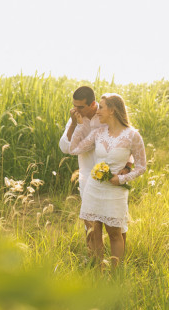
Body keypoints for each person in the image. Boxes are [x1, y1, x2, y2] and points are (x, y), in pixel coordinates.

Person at [69, 93, 146, 267]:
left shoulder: (132, 135)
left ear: (112, 110)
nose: (98, 112)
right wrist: (79, 126)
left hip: (115, 191)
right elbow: (74, 149)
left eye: (101, 107)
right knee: (94, 233)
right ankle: (98, 273)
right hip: (93, 189)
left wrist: (121, 178)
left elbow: (142, 166)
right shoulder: (98, 133)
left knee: (114, 234)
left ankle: (116, 275)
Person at [59, 86, 131, 249]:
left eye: (80, 107)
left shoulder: (107, 115)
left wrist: (127, 169)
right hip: (87, 178)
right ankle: (95, 266)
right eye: (73, 105)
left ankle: (118, 265)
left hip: (111, 178)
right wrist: (73, 124)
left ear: (93, 105)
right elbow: (65, 147)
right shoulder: (75, 119)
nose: (74, 110)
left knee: (117, 223)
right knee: (91, 225)